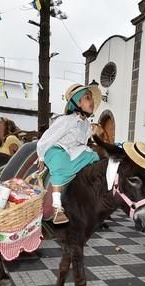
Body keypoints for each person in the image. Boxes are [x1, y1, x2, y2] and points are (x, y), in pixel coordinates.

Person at [36, 83, 102, 225]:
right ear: (78, 102)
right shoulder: (66, 120)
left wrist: (95, 133)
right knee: (60, 164)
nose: (92, 101)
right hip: (56, 150)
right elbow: (46, 139)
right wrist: (41, 156)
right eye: (87, 98)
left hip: (73, 152)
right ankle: (57, 208)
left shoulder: (86, 125)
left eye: (92, 98)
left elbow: (83, 144)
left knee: (94, 156)